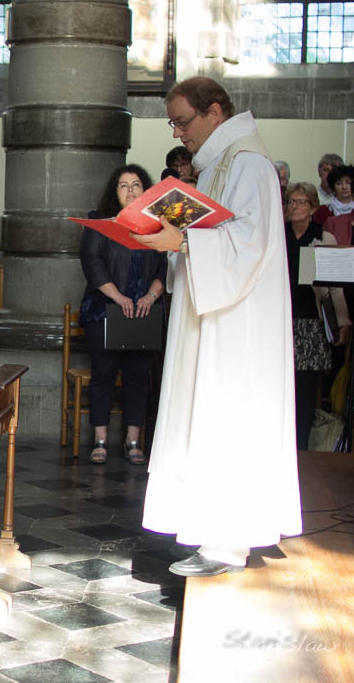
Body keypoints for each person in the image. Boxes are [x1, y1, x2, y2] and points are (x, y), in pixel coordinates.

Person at [134, 76, 301, 577]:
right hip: (210, 314)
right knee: (200, 415)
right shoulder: (214, 167)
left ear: (214, 112)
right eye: (173, 123)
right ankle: (206, 529)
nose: (177, 133)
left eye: (183, 122)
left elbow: (248, 243)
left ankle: (228, 542)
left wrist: (182, 244)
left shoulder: (248, 164)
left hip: (237, 327)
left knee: (225, 415)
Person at [78, 165, 167, 465]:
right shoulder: (99, 223)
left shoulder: (157, 225)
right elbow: (91, 262)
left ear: (146, 190)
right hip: (103, 311)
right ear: (113, 193)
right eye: (123, 186)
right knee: (103, 376)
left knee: (138, 377)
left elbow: (163, 268)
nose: (130, 191)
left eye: (136, 185)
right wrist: (117, 297)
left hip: (143, 311)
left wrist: (151, 296)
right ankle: (100, 439)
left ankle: (132, 440)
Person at [285, 182, 350, 449]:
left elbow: (334, 287)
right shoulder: (279, 235)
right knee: (280, 383)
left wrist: (343, 322)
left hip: (311, 321)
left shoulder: (323, 237)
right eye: (291, 201)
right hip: (281, 318)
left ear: (312, 207)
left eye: (301, 202)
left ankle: (300, 445)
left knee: (306, 387)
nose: (294, 207)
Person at [320, 165, 354, 243]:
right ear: (333, 187)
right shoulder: (323, 211)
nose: (344, 187)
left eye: (348, 182)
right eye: (339, 183)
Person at [311, 153, 345, 223]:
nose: (330, 175)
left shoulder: (346, 200)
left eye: (334, 171)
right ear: (319, 172)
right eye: (326, 170)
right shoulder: (311, 196)